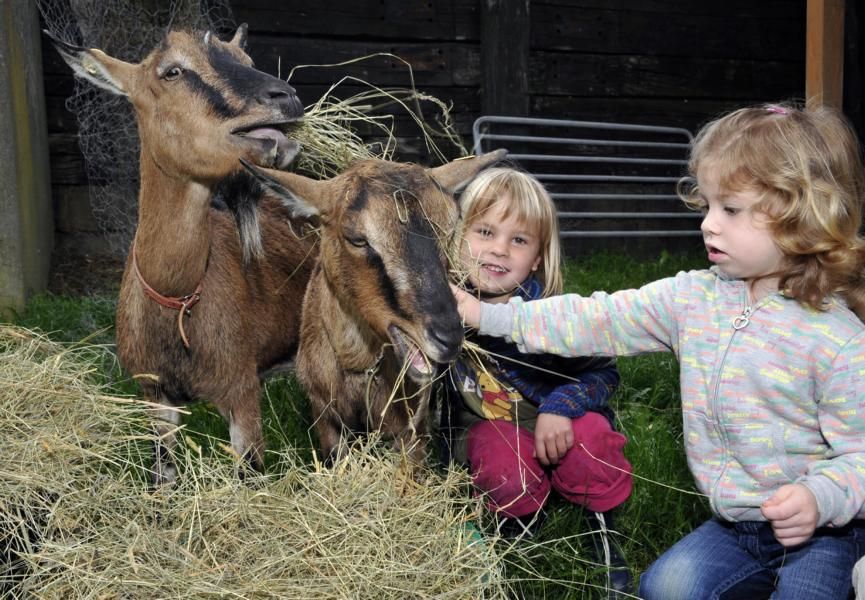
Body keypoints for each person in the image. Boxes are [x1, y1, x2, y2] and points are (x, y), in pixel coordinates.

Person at [452, 103, 865, 600]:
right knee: (666, 588)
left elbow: (860, 456)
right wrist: (487, 316)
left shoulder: (837, 339)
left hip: (825, 533)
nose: (708, 225)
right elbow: (592, 319)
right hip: (736, 525)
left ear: (799, 215)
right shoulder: (694, 298)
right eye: (708, 205)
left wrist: (819, 498)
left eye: (729, 210)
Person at [442, 167, 634, 595]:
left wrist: (560, 406)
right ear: (455, 239)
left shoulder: (551, 318)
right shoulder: (442, 307)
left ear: (538, 258)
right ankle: (519, 533)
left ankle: (602, 533)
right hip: (492, 426)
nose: (499, 250)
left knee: (592, 443)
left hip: (559, 422)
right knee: (501, 462)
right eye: (485, 231)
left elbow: (605, 371)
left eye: (519, 240)